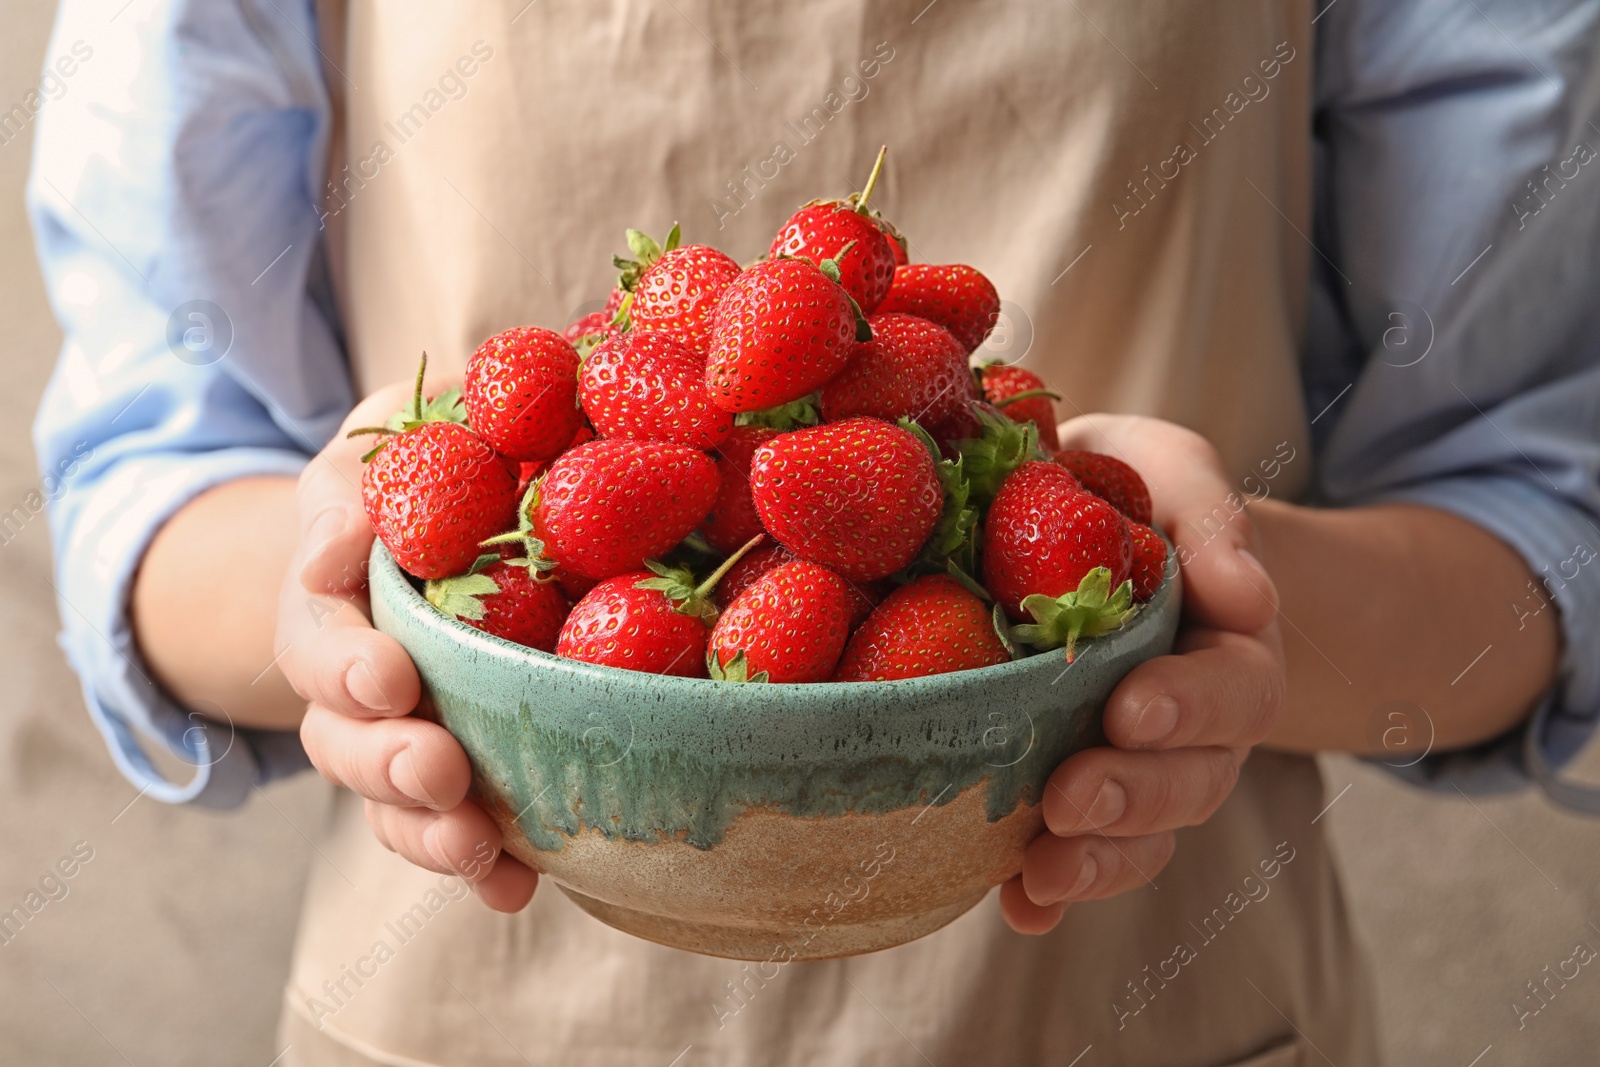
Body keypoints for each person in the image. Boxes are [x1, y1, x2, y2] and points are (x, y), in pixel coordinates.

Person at [28, 0, 1600, 1063]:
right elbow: (156, 474)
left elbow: (1538, 520)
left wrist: (1204, 602)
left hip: (1153, 1000)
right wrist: (350, 578)